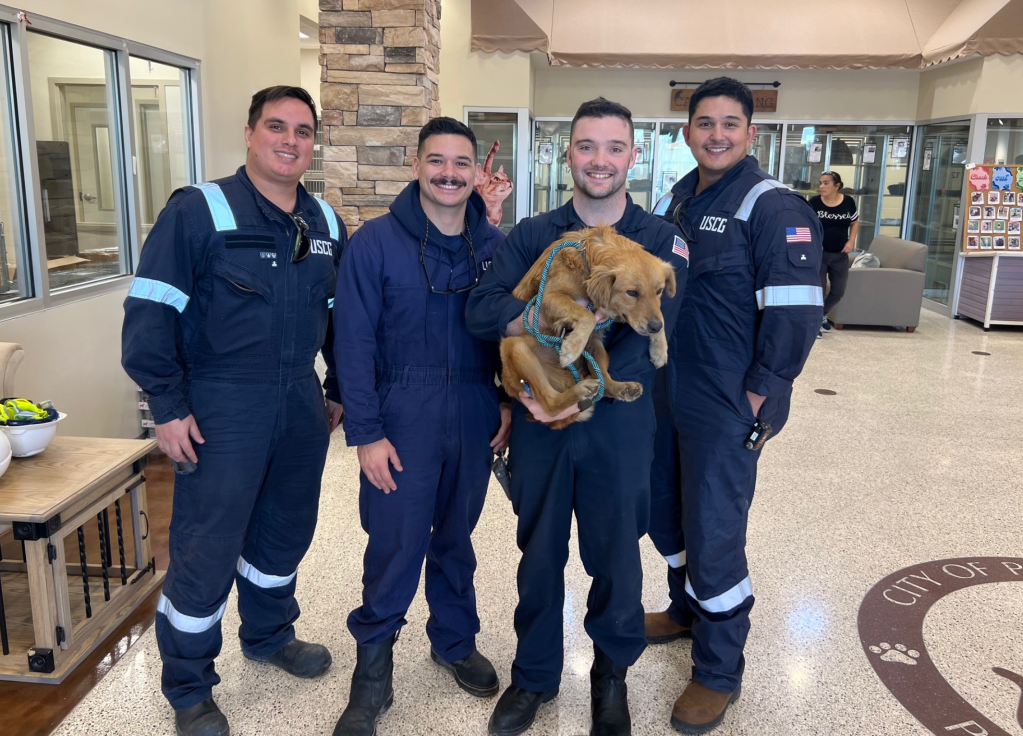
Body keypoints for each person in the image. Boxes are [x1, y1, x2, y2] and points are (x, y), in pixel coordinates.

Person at [121, 86, 347, 736]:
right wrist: (166, 405)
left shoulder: (326, 224)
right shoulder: (199, 211)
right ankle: (189, 686)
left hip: (298, 402)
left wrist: (337, 392)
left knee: (284, 531)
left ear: (312, 143)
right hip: (222, 403)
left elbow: (340, 321)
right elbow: (151, 311)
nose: (289, 140)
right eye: (276, 127)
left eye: (303, 131)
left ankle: (269, 634)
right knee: (207, 544)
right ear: (249, 133)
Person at [466, 98, 690, 736]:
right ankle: (534, 675)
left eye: (614, 147)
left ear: (632, 156)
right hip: (540, 417)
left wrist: (588, 394)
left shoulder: (657, 241)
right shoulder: (539, 235)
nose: (600, 159)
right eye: (586, 146)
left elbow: (659, 341)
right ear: (569, 154)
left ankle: (611, 677)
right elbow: (482, 311)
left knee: (616, 553)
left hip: (619, 426)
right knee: (538, 551)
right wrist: (536, 369)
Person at [647, 77, 822, 734]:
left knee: (714, 526)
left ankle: (718, 670)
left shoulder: (771, 205)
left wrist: (759, 391)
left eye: (728, 123)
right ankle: (683, 609)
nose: (714, 134)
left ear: (750, 132)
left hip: (727, 399)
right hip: (670, 389)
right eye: (703, 123)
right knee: (664, 507)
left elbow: (796, 314)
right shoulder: (678, 196)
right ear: (686, 131)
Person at [331, 117, 511, 736]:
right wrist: (366, 432)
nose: (449, 174)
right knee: (395, 542)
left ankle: (454, 641)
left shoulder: (493, 247)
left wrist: (508, 401)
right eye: (437, 161)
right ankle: (372, 675)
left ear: (476, 174)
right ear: (417, 165)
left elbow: (511, 336)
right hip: (401, 414)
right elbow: (350, 343)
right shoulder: (374, 243)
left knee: (456, 537)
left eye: (461, 163)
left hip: (474, 408)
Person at [809, 171, 858, 335]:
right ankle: (815, 325)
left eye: (826, 183)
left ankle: (821, 315)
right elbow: (807, 224)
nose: (821, 186)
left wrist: (851, 241)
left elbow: (854, 222)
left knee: (838, 291)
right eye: (820, 183)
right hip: (820, 255)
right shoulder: (814, 202)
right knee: (819, 290)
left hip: (840, 255)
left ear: (837, 186)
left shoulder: (849, 202)